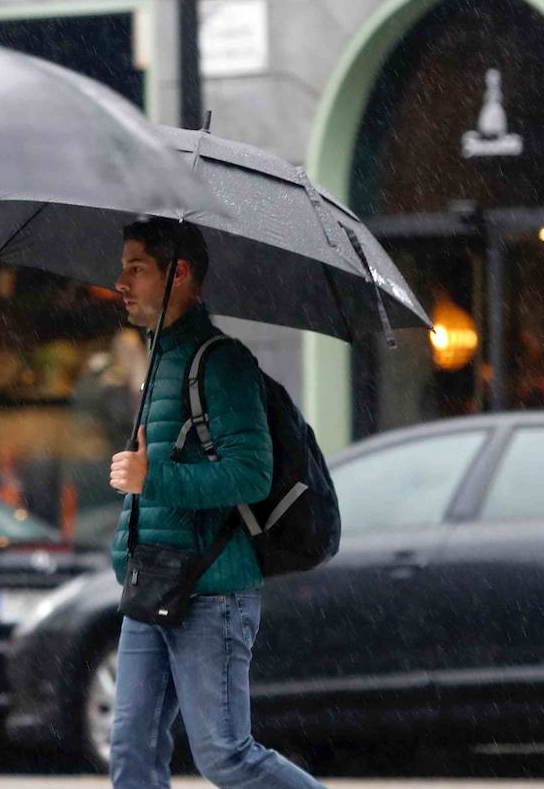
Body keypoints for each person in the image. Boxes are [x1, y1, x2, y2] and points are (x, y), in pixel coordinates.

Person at [108, 218, 326, 789]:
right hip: (152, 584)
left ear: (178, 274)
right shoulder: (158, 362)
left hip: (211, 590)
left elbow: (249, 475)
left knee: (225, 755)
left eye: (136, 267)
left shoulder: (221, 362)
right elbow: (154, 479)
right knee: (131, 751)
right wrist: (125, 543)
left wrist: (150, 481)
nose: (121, 281)